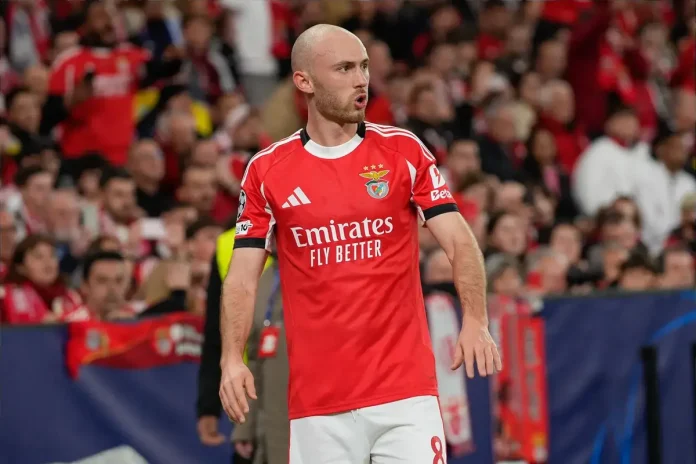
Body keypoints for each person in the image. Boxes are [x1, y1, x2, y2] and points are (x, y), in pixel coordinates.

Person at [219, 24, 501, 463]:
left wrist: (476, 319)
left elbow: (460, 242)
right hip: (317, 407)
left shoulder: (404, 151)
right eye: (344, 68)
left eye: (364, 67)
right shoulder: (267, 170)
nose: (361, 79)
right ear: (304, 81)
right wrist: (231, 359)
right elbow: (241, 279)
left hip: (406, 395)